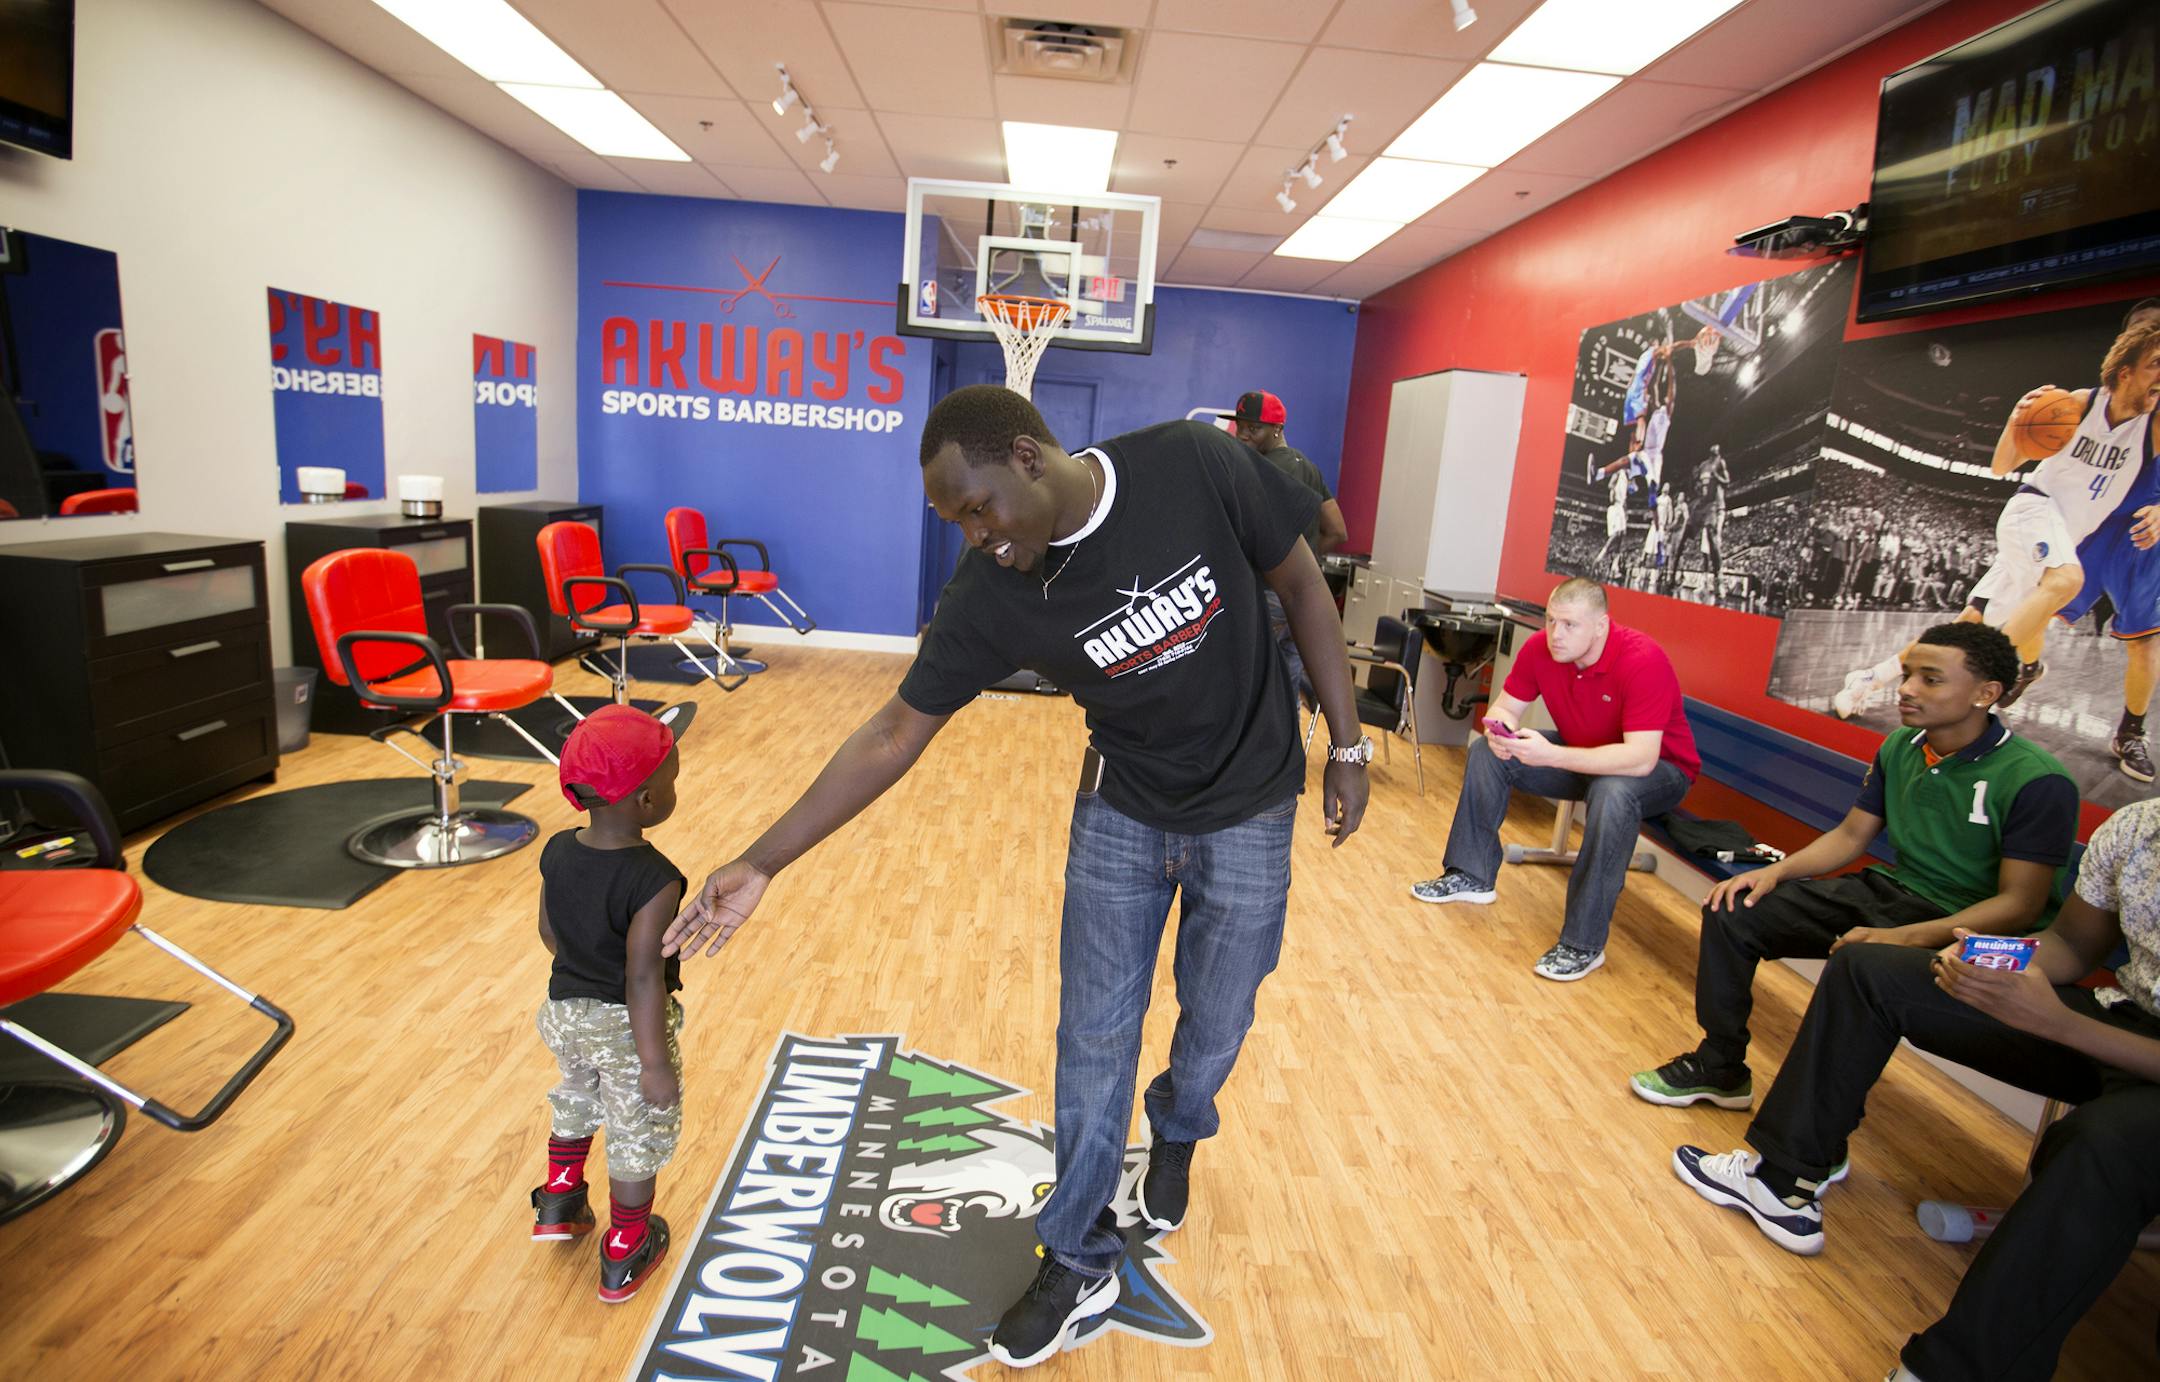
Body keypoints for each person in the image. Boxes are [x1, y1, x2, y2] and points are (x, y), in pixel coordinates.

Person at [662, 385, 1370, 1370]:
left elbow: (1300, 583)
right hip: (1122, 812)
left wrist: (1348, 746)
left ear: (1030, 459)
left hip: (1252, 804)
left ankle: (1177, 1125)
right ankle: (1076, 1253)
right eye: (958, 521)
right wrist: (761, 860)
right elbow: (894, 730)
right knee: (1092, 1039)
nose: (977, 535)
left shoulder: (1192, 462)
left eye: (978, 508)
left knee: (1220, 1016)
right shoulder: (991, 592)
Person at [1673, 796, 2160, 1382]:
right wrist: (1987, 962)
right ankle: (1783, 1184)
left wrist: (2058, 1023)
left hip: (2111, 1050)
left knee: (2100, 1142)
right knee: (1868, 969)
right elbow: (2074, 946)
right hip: (2120, 1015)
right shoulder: (2138, 826)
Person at [1630, 622, 2076, 1112]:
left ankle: (1809, 1121)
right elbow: (1850, 836)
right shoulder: (1901, 746)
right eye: (1907, 675)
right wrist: (1775, 872)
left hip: (1967, 928)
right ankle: (1720, 1068)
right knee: (1734, 908)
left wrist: (1904, 938)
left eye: (1930, 679)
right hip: (1893, 891)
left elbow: (2019, 905)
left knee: (1858, 962)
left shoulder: (2037, 779)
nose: (1906, 689)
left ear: (1985, 694)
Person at [1834, 311, 2160, 753]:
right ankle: (1981, 682)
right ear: (2125, 372)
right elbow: (2003, 466)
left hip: (2060, 540)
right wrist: (2016, 421)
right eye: (2155, 365)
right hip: (2033, 510)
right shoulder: (2076, 407)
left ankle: (1871, 677)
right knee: (2066, 580)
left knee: (1966, 624)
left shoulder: (2152, 427)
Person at [1410, 578, 1699, 981]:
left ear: (1600, 626)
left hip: (1658, 772)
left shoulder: (1643, 659)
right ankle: (1470, 875)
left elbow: (1640, 758)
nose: (1556, 634)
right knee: (1486, 755)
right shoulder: (1540, 648)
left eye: (1569, 625)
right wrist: (1502, 732)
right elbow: (1505, 708)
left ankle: (1583, 943)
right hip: (1585, 754)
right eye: (1550, 621)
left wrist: (1553, 755)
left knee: (1612, 793)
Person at [528, 705, 687, 1306]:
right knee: (634, 1129)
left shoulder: (556, 850)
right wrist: (654, 1064)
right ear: (646, 801)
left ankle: (561, 1198)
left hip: (563, 1014)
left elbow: (550, 931)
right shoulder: (655, 878)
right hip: (626, 1028)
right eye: (672, 780)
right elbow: (642, 978)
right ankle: (626, 1246)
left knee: (576, 1093)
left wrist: (584, 961)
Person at [1232, 389, 1349, 704]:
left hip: (1267, 594)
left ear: (1277, 429)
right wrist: (1302, 563)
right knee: (1287, 683)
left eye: (1253, 428)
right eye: (1240, 425)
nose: (1243, 435)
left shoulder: (1261, 468)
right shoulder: (1308, 467)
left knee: (1249, 683)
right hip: (1302, 598)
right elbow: (1337, 530)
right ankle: (1287, 738)